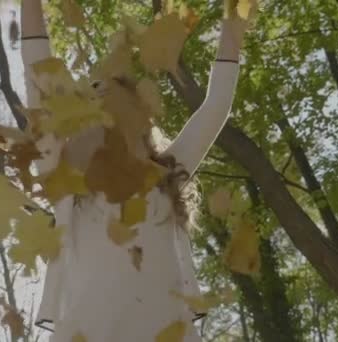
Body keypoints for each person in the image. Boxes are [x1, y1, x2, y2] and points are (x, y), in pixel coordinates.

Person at [19, 1, 252, 341]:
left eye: (114, 94)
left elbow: (216, 104)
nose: (100, 96)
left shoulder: (168, 173)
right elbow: (37, 71)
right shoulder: (66, 181)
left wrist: (237, 12)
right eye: (92, 95)